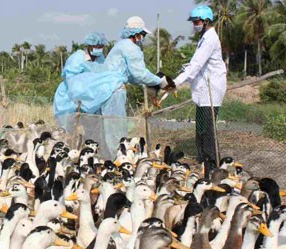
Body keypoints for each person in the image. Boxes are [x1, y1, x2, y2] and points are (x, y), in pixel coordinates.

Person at [67, 16, 173, 158]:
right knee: (116, 130)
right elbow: (140, 73)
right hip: (115, 91)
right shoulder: (132, 48)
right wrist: (159, 82)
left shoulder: (119, 46)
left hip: (105, 91)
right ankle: (117, 159)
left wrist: (152, 82)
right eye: (142, 34)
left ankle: (108, 157)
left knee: (109, 128)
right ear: (136, 34)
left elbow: (130, 75)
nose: (143, 38)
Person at [173, 5, 227, 172]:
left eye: (196, 21)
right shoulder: (204, 38)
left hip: (211, 91)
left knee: (208, 130)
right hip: (204, 90)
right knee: (201, 128)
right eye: (194, 22)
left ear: (206, 21)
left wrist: (176, 82)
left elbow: (196, 65)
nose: (194, 24)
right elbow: (194, 65)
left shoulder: (210, 39)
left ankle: (212, 164)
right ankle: (203, 159)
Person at [53, 32, 107, 132]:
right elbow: (71, 79)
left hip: (92, 98)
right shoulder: (77, 58)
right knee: (69, 128)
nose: (99, 48)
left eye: (101, 46)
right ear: (89, 46)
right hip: (70, 98)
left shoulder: (101, 59)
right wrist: (80, 94)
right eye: (96, 46)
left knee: (92, 127)